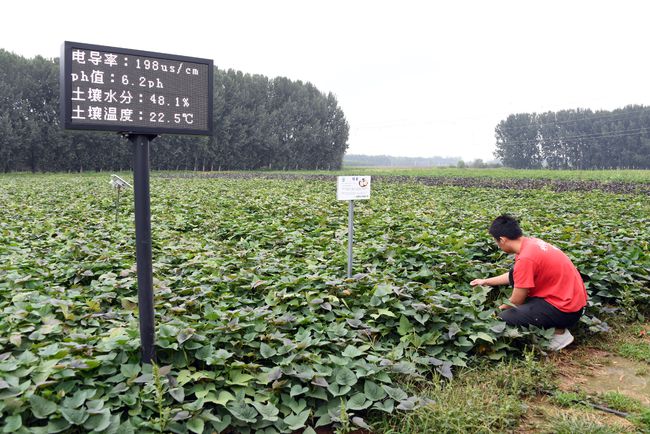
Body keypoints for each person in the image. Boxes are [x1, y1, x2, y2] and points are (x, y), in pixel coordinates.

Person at [470, 214, 588, 351]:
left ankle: (558, 333)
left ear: (502, 240)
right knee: (518, 284)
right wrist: (485, 281)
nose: (498, 245)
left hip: (565, 311)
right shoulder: (531, 244)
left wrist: (494, 314)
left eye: (496, 242)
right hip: (573, 302)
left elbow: (516, 301)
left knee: (505, 317)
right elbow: (515, 276)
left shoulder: (526, 258)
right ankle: (553, 325)